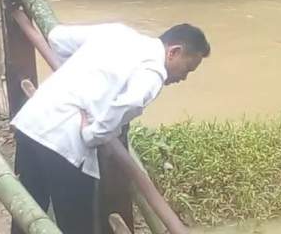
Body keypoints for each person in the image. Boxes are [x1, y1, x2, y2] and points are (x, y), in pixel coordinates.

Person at [11, 22, 210, 234]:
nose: (183, 78)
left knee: (28, 209)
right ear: (174, 52)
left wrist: (80, 81)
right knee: (78, 225)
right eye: (187, 69)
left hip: (32, 121)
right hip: (65, 142)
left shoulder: (117, 32)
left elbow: (57, 38)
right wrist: (92, 135)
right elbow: (131, 102)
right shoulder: (153, 71)